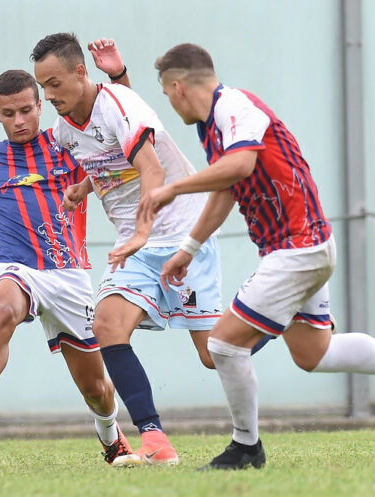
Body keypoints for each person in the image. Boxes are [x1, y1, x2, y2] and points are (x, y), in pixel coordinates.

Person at [139, 43, 375, 470]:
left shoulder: (235, 107)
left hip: (297, 250)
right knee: (313, 354)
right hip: (302, 249)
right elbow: (228, 187)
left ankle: (246, 447)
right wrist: (188, 249)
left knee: (224, 346)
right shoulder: (212, 126)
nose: (169, 103)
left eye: (165, 93)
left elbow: (241, 166)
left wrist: (172, 188)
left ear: (177, 87)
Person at [0, 40, 136, 464]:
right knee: (3, 311)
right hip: (12, 264)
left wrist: (116, 75)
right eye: (8, 113)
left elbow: (121, 122)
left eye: (26, 110)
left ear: (40, 105)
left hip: (68, 272)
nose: (18, 121)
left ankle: (111, 437)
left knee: (95, 387)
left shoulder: (67, 141)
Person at [31, 32, 233, 467]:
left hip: (182, 233)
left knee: (213, 355)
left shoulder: (118, 105)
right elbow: (107, 158)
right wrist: (83, 187)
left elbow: (151, 168)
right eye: (42, 86)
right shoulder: (66, 129)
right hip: (135, 245)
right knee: (107, 327)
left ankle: (277, 320)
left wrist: (142, 232)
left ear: (80, 72)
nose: (49, 96)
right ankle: (155, 441)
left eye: (54, 84)